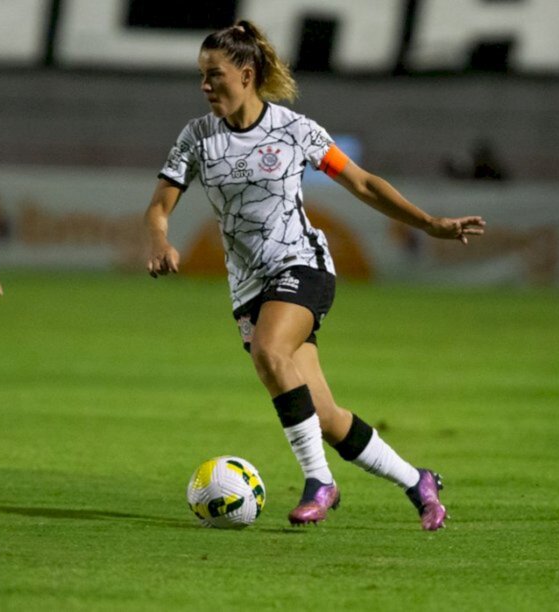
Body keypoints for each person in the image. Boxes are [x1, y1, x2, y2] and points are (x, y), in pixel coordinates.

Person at [144, 20, 486, 531]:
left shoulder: (293, 129)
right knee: (323, 416)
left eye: (214, 75)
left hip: (303, 266)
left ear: (246, 72)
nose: (204, 85)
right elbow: (158, 207)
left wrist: (431, 224)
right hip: (248, 288)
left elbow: (363, 183)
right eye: (201, 75)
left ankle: (318, 482)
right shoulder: (197, 137)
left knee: (268, 351)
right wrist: (159, 239)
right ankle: (419, 481)